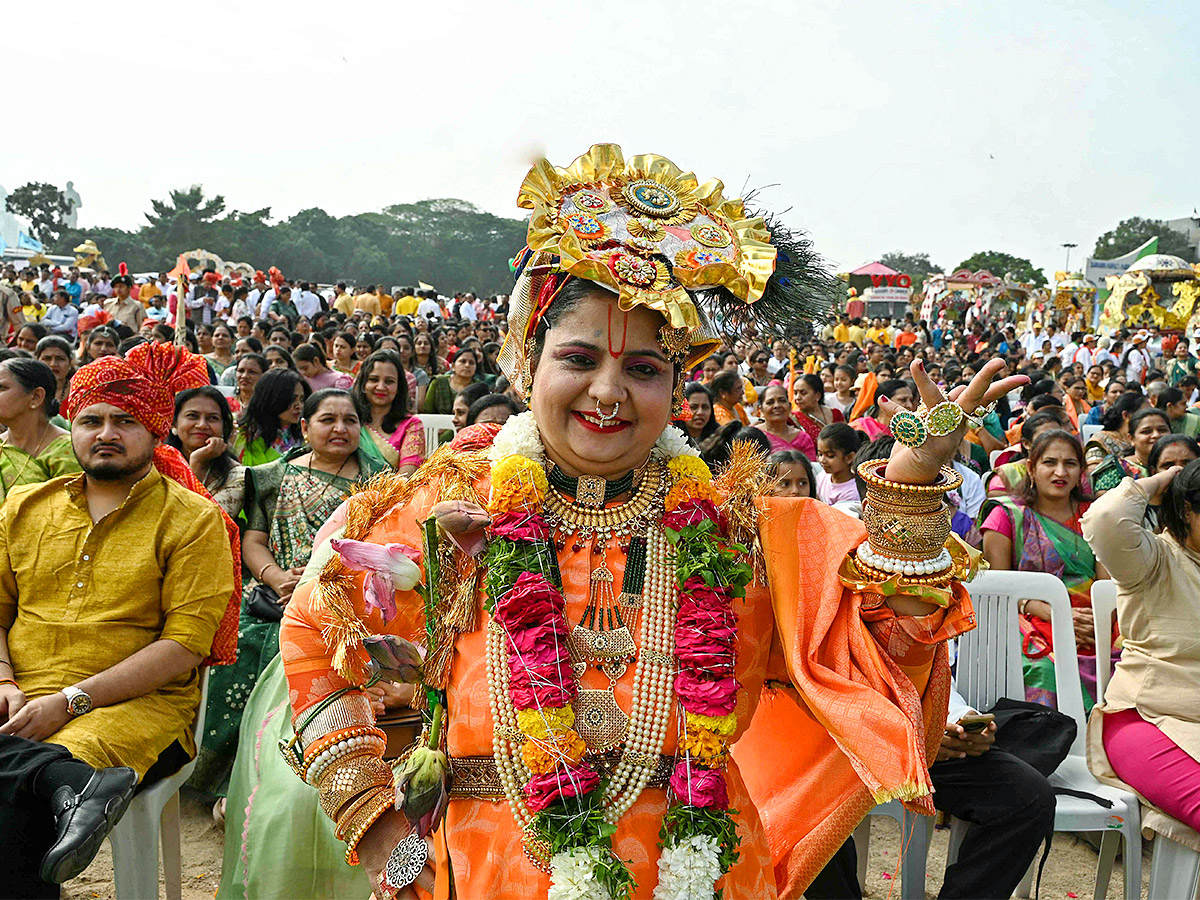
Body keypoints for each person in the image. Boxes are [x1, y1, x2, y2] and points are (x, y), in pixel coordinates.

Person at [277, 145, 1012, 899]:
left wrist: (915, 479)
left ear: (676, 385)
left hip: (704, 870)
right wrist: (378, 831)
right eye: (578, 358)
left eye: (642, 369)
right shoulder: (449, 508)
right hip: (488, 868)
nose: (607, 391)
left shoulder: (741, 531)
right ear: (528, 365)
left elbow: (888, 649)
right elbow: (310, 639)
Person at [0, 343, 238, 897]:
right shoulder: (25, 507)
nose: (106, 432)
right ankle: (71, 787)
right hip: (19, 689)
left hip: (138, 705)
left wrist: (70, 700)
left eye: (125, 420)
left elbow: (184, 647)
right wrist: (5, 680)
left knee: (13, 798)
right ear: (72, 429)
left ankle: (63, 780)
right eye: (91, 420)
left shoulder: (193, 519)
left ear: (156, 432)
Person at [191, 389, 388, 800]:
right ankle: (229, 781)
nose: (340, 429)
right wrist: (277, 576)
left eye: (350, 420)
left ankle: (298, 787)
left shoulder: (380, 482)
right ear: (304, 427)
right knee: (239, 647)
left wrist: (323, 587)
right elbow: (254, 539)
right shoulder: (272, 477)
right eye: (327, 419)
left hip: (348, 601)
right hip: (273, 594)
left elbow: (385, 547)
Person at [1083, 462, 1200, 834]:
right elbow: (1105, 518)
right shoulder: (1154, 559)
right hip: (1147, 719)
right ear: (1186, 509)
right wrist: (1162, 482)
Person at [980, 430, 1110, 709]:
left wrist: (1097, 621)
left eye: (1070, 463)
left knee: (1127, 658)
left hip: (1093, 619)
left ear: (1081, 471)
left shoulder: (1096, 515)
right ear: (1031, 467)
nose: (1060, 472)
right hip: (1026, 616)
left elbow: (1108, 585)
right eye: (1049, 462)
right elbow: (994, 591)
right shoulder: (1006, 515)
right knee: (1044, 669)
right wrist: (1051, 612)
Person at [0, 360, 78, 503]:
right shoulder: (2, 445)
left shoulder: (67, 451)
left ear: (36, 396)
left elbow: (72, 514)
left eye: (2, 388)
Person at [166, 387, 247, 519]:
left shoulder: (237, 477)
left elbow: (202, 522)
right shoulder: (155, 466)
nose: (202, 425)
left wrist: (197, 463)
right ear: (174, 423)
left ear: (224, 427)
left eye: (212, 418)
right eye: (192, 416)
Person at [352, 349, 426, 475]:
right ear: (363, 383)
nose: (381, 387)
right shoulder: (351, 421)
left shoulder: (411, 426)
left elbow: (406, 477)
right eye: (374, 379)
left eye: (389, 381)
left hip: (394, 493)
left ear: (399, 387)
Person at [234, 368, 310, 465]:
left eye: (301, 399)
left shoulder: (304, 436)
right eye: (292, 399)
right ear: (271, 398)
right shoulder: (241, 435)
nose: (299, 406)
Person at [1090, 407, 1171, 493]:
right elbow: (1104, 502)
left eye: (1162, 430)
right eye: (1146, 431)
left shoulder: (1180, 463)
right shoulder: (1117, 470)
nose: (1156, 435)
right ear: (1131, 439)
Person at [759, 383, 816, 455]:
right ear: (761, 409)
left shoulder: (802, 438)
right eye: (770, 402)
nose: (777, 405)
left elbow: (810, 465)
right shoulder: (753, 435)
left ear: (790, 407)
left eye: (782, 401)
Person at [422, 345, 481, 415]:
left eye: (471, 363)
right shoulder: (438, 382)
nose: (467, 365)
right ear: (453, 366)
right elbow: (428, 410)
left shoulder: (478, 387)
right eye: (463, 361)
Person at [815, 423, 862, 506]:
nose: (822, 460)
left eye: (830, 456)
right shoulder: (822, 477)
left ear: (849, 458)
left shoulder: (852, 492)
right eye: (820, 454)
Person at [34, 337, 75, 408]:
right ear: (36, 361)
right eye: (47, 358)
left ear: (70, 362)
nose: (53, 364)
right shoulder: (29, 391)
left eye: (60, 359)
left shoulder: (78, 391)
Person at [681, 381, 721, 452]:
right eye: (693, 407)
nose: (700, 412)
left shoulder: (719, 439)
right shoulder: (671, 438)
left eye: (705, 407)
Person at [102, 265, 144, 331]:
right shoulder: (108, 304)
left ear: (129, 288)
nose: (118, 289)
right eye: (116, 287)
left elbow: (142, 327)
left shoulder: (137, 306)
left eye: (121, 286)